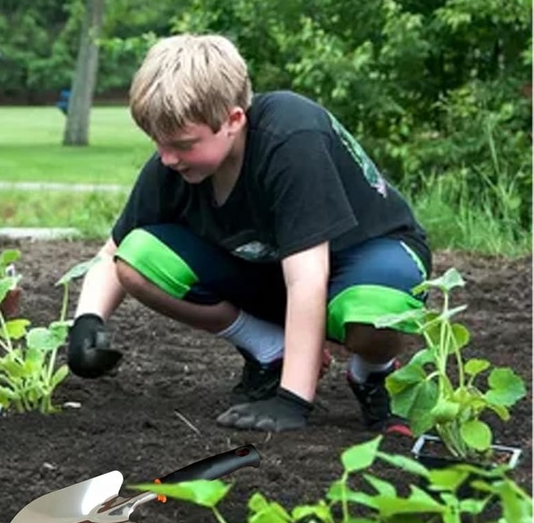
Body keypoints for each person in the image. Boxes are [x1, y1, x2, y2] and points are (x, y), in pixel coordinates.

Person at [65, 34, 430, 433]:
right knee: (136, 257)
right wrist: (87, 319)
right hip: (272, 268)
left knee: (376, 313)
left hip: (366, 256)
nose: (167, 158)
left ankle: (372, 373)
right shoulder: (172, 167)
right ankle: (270, 351)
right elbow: (112, 252)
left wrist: (292, 402)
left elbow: (307, 276)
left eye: (183, 144)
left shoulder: (291, 138)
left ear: (234, 120)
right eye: (158, 143)